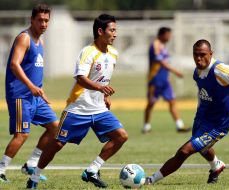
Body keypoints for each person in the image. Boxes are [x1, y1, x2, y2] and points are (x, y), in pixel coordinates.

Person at [26, 14, 128, 189]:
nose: (115, 34)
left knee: (121, 136)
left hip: (99, 109)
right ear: (100, 31)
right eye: (112, 30)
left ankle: (92, 170)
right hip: (78, 107)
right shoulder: (87, 51)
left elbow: (103, 79)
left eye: (115, 30)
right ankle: (34, 177)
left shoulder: (113, 54)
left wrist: (105, 96)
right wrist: (100, 89)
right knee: (57, 143)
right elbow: (80, 78)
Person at [145, 39, 229, 185]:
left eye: (202, 54)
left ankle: (150, 180)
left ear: (211, 54)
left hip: (219, 124)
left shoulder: (221, 70)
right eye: (195, 55)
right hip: (202, 117)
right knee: (202, 147)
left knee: (185, 151)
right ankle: (216, 166)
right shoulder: (197, 72)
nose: (198, 58)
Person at [0, 4, 59, 183]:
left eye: (46, 21)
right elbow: (14, 65)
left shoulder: (40, 41)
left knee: (55, 127)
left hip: (35, 96)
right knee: (22, 134)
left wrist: (40, 90)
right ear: (32, 20)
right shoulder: (24, 38)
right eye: (40, 20)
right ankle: (1, 170)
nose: (43, 24)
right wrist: (31, 87)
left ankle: (31, 164)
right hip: (20, 95)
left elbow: (33, 69)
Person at [143, 27, 190, 133]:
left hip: (164, 81)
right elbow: (161, 62)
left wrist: (168, 75)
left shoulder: (162, 46)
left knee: (172, 101)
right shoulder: (155, 45)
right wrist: (175, 71)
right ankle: (146, 126)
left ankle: (179, 125)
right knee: (151, 103)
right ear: (161, 35)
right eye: (168, 35)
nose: (170, 37)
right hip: (155, 80)